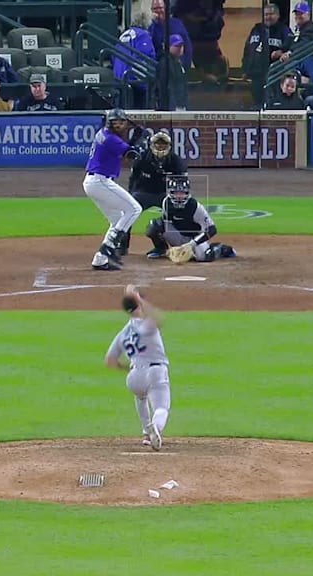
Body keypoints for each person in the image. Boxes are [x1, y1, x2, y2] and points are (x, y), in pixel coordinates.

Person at [105, 284, 170, 451]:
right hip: (155, 372)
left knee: (141, 398)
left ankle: (146, 434)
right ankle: (155, 428)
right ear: (139, 305)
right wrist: (139, 298)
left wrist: (127, 369)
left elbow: (110, 360)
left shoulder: (123, 333)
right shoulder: (146, 325)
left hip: (134, 376)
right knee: (161, 408)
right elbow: (158, 317)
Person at [84, 108, 148, 271]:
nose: (119, 125)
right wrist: (141, 139)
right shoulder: (111, 139)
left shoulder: (104, 134)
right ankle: (109, 250)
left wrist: (135, 138)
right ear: (109, 123)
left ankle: (100, 258)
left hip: (94, 182)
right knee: (134, 209)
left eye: (121, 122)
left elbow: (127, 148)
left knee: (117, 219)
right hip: (100, 181)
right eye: (115, 122)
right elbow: (133, 155)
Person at [144, 174, 236, 261]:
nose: (179, 196)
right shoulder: (166, 202)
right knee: (153, 226)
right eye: (176, 193)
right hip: (178, 235)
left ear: (187, 193)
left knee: (203, 257)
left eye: (182, 193)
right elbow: (165, 223)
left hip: (195, 238)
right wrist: (173, 248)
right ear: (170, 193)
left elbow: (212, 229)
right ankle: (161, 249)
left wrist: (192, 244)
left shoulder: (195, 206)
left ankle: (220, 249)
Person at [243, 3, 293, 108]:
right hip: (256, 72)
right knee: (257, 101)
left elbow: (291, 47)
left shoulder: (284, 30)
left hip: (274, 73)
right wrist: (245, 68)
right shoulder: (256, 29)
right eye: (266, 14)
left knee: (271, 101)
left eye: (271, 14)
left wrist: (282, 52)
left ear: (278, 15)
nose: (268, 17)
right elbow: (248, 50)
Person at [129, 131, 188, 213]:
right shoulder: (142, 158)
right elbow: (133, 176)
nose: (160, 146)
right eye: (158, 143)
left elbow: (183, 180)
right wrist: (131, 193)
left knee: (181, 211)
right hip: (143, 193)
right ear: (152, 145)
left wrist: (177, 197)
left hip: (166, 194)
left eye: (163, 144)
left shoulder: (175, 160)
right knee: (129, 209)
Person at [149, 0, 192, 70]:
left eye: (160, 8)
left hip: (177, 66)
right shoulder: (151, 27)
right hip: (160, 67)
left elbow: (188, 46)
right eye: (155, 9)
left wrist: (187, 65)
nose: (158, 11)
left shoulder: (177, 24)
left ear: (165, 8)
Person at [160, 34, 189, 110]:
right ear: (169, 47)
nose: (179, 48)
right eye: (176, 46)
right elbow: (168, 85)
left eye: (181, 46)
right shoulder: (166, 63)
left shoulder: (179, 62)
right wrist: (172, 105)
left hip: (181, 104)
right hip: (173, 106)